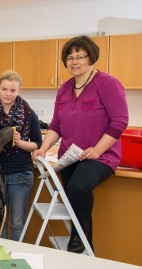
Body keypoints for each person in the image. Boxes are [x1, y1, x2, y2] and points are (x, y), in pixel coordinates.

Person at [32, 35, 128, 253]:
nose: (74, 61)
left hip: (100, 156)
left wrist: (97, 149)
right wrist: (44, 148)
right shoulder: (64, 89)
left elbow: (120, 121)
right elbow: (56, 124)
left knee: (78, 186)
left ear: (91, 58)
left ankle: (80, 238)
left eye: (80, 56)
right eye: (70, 57)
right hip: (70, 155)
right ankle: (82, 244)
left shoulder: (107, 83)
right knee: (71, 194)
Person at [0, 70, 42, 241]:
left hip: (20, 174)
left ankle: (15, 260)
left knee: (17, 223)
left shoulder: (29, 114)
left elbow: (37, 144)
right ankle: (0, 255)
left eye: (13, 90)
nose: (8, 94)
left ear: (19, 91)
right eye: (4, 89)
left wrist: (19, 142)